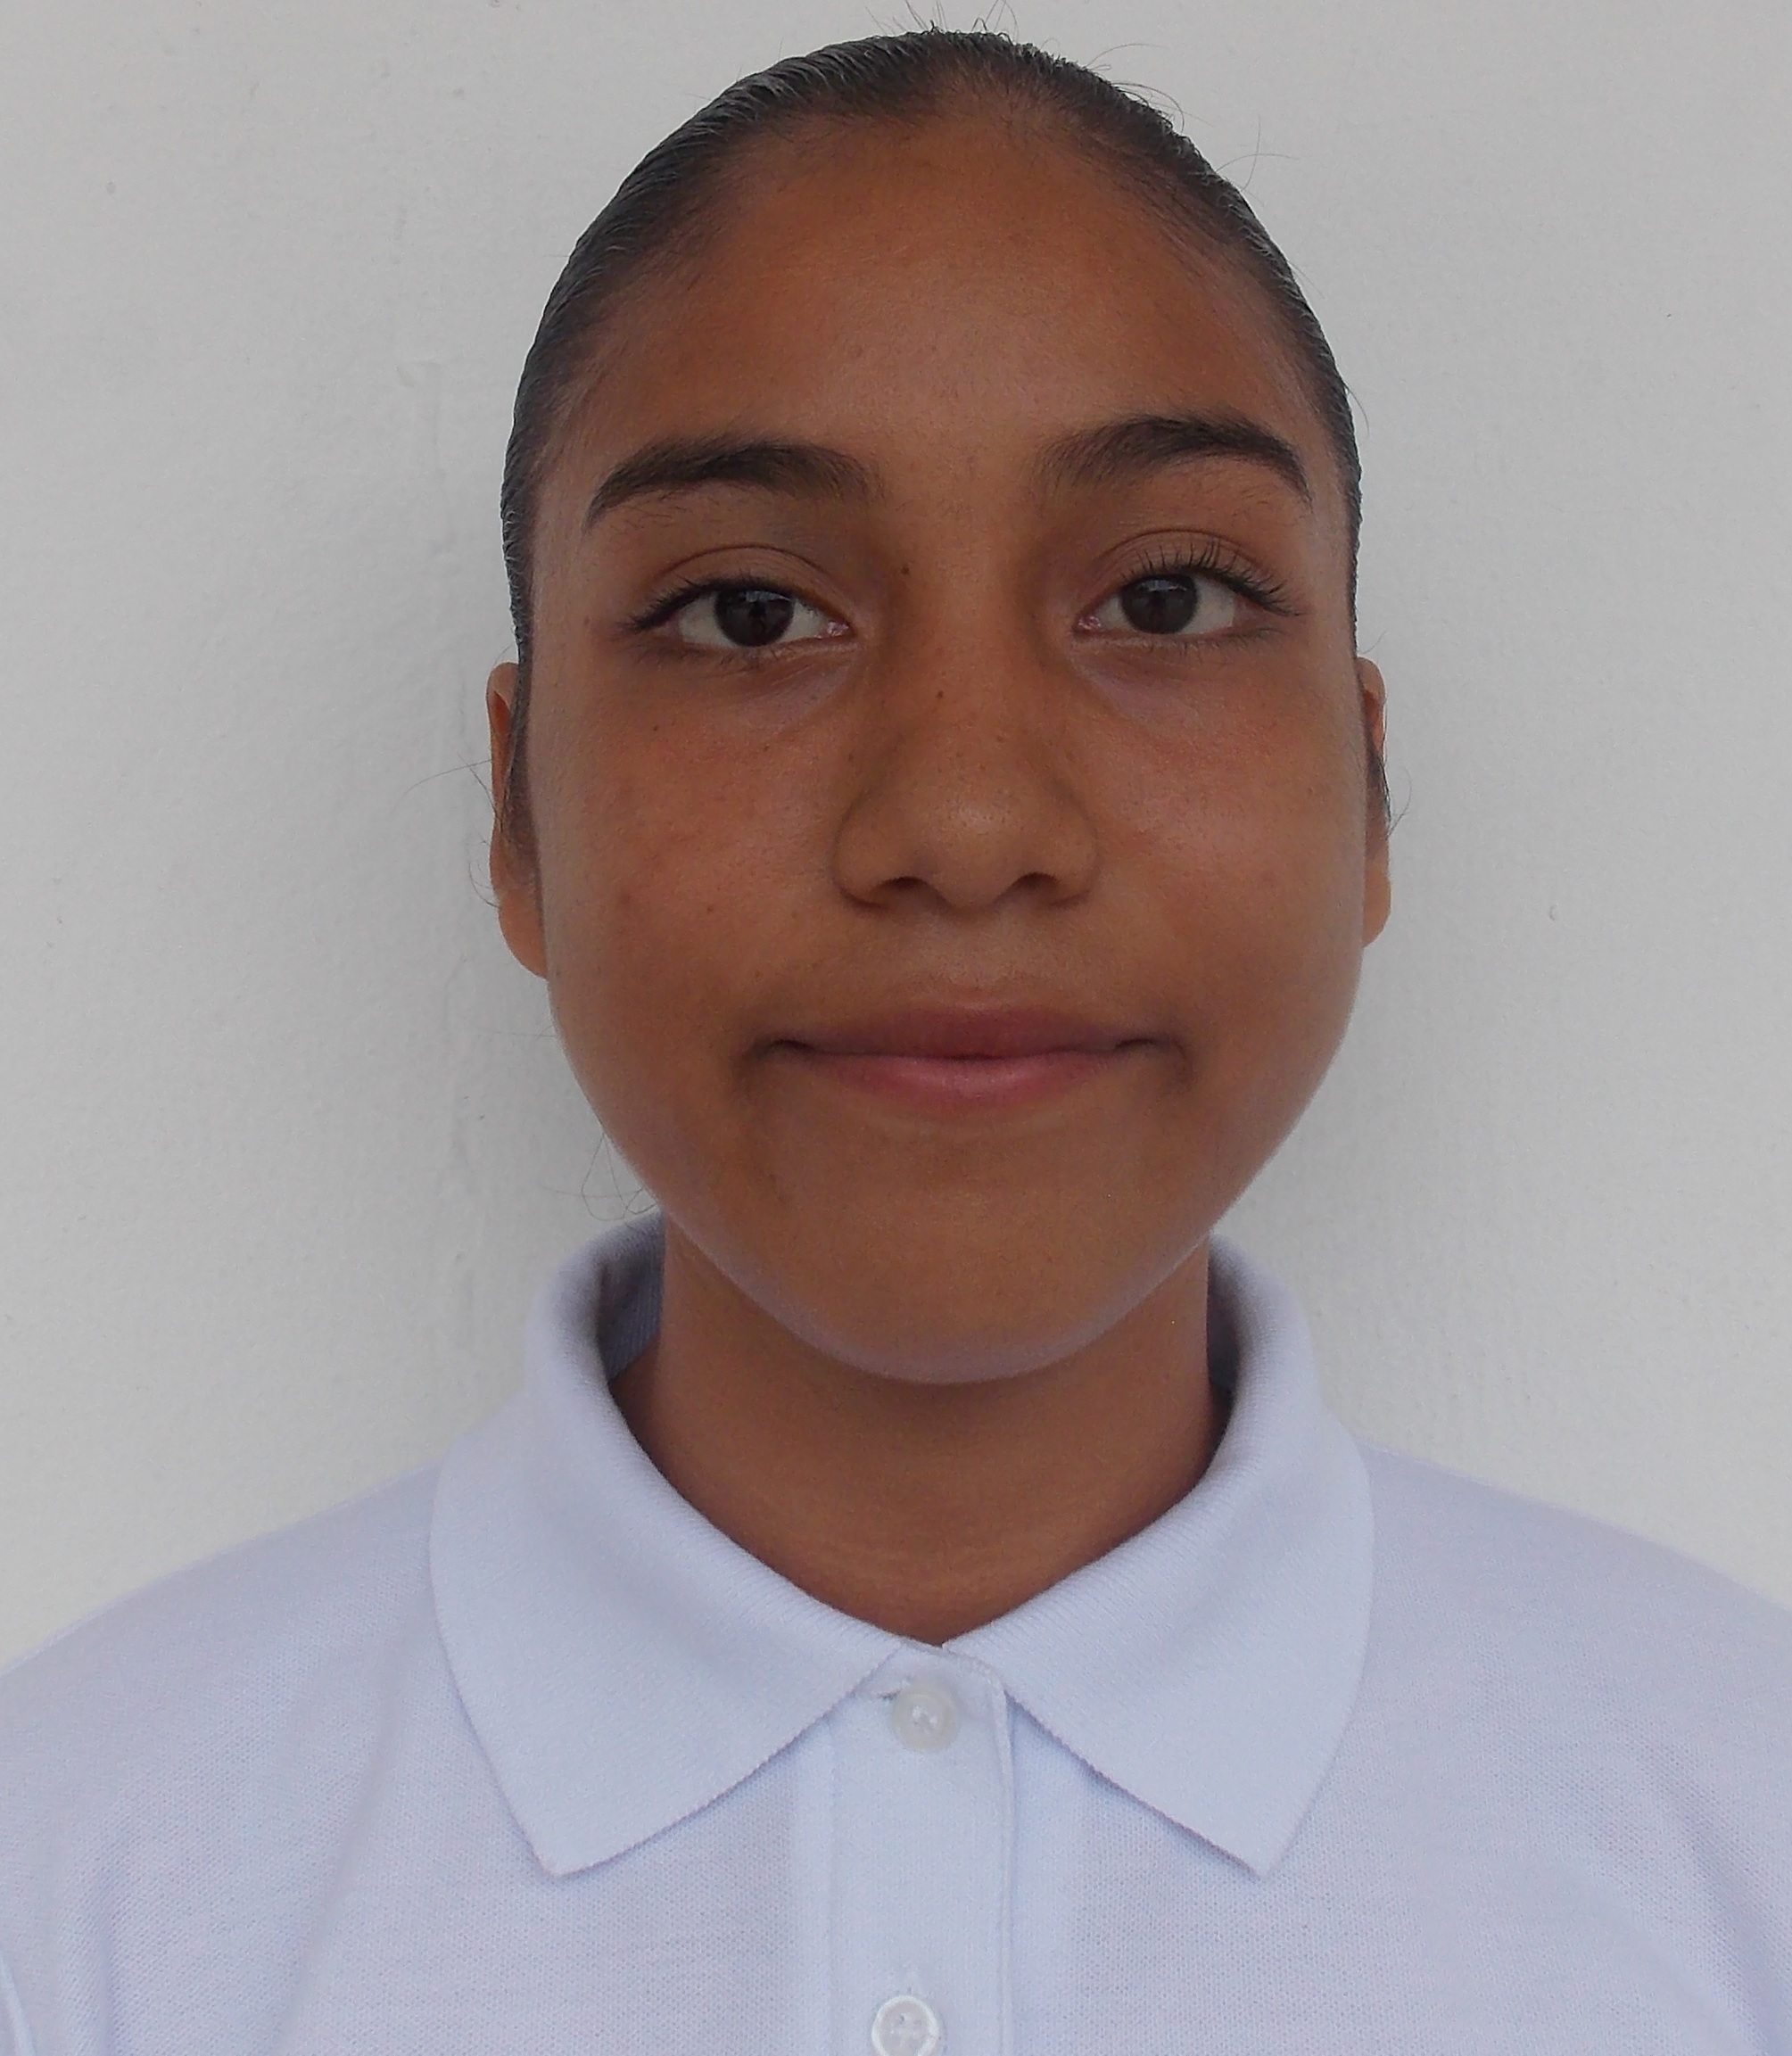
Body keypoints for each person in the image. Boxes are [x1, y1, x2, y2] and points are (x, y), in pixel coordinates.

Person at [2, 27, 1788, 2055]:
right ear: (516, 815)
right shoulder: (79, 1899)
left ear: (1367, 789)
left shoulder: (1737, 1841)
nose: (964, 820)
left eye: (1166, 599)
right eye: (753, 617)